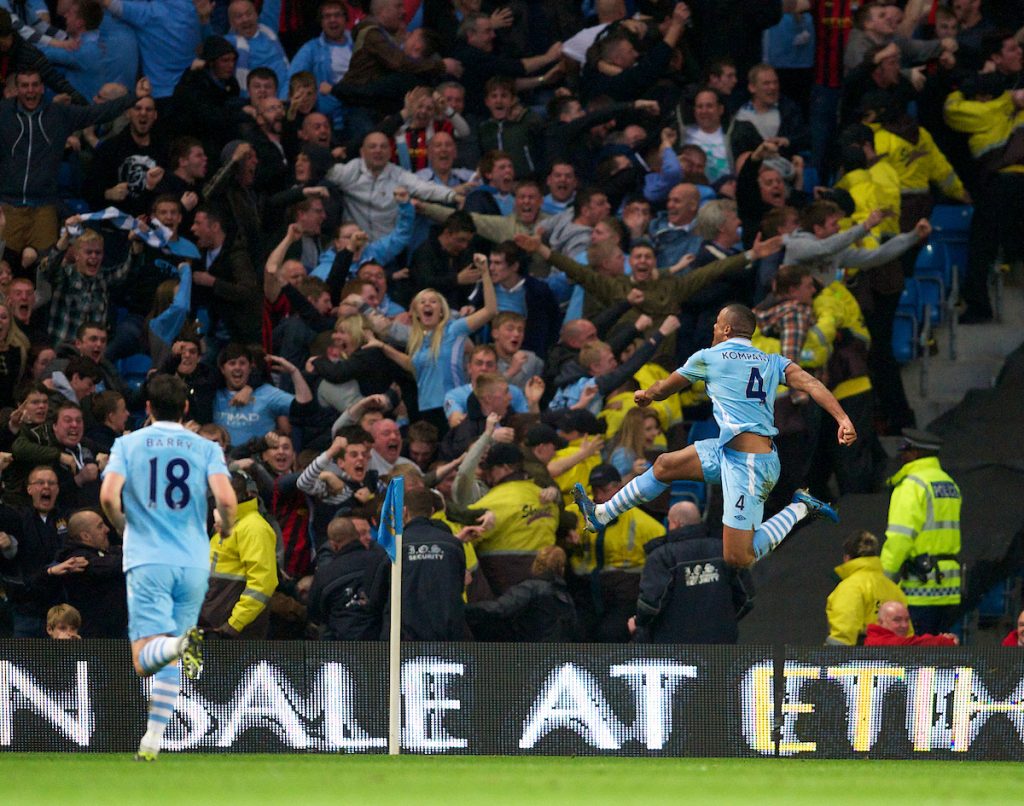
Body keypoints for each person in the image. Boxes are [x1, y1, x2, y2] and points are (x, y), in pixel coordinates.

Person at [573, 304, 856, 569]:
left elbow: (664, 389)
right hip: (729, 452)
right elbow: (812, 383)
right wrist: (842, 419)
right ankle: (602, 514)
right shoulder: (772, 361)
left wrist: (646, 395)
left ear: (727, 330)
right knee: (664, 466)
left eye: (716, 324)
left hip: (750, 466)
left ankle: (799, 508)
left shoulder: (709, 357)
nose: (713, 329)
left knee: (737, 558)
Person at [99, 374, 237, 762]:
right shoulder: (205, 447)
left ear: (147, 407)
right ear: (187, 408)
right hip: (193, 559)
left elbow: (108, 496)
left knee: (147, 658)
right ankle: (153, 740)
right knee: (171, 652)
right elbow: (226, 499)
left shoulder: (127, 444)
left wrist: (123, 525)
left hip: (148, 557)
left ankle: (179, 645)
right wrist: (225, 526)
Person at [631, 501, 751, 644]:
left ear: (675, 523)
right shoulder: (724, 550)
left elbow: (650, 606)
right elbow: (747, 597)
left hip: (674, 647)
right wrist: (725, 621)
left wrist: (638, 624)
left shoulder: (663, 556)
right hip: (721, 644)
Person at [879, 429, 962, 635]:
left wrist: (884, 579)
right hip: (948, 585)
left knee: (917, 657)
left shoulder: (912, 485)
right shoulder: (948, 484)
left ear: (915, 453)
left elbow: (900, 537)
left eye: (905, 450)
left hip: (920, 587)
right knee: (942, 655)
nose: (901, 456)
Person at [199, 471, 278, 639]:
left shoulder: (254, 528)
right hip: (213, 625)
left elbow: (262, 585)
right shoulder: (228, 525)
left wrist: (234, 624)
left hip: (234, 631)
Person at [466, 545, 580, 642]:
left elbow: (498, 608)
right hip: (556, 656)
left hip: (529, 654)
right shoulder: (565, 597)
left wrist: (463, 609)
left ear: (536, 564)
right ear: (562, 568)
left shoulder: (529, 589)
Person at [825, 529, 908, 645]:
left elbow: (843, 635)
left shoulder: (849, 588)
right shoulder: (894, 589)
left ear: (847, 558)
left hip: (862, 659)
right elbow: (907, 634)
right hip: (895, 659)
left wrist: (830, 660)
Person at [57, 508, 128, 638]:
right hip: (97, 638)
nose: (107, 529)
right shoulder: (76, 559)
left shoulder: (106, 552)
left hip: (118, 630)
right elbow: (108, 566)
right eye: (100, 526)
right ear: (86, 536)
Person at [864, 599, 958, 646]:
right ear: (880, 622)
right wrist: (945, 641)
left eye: (907, 620)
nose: (904, 625)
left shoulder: (875, 638)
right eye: (897, 620)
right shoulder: (880, 643)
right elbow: (914, 644)